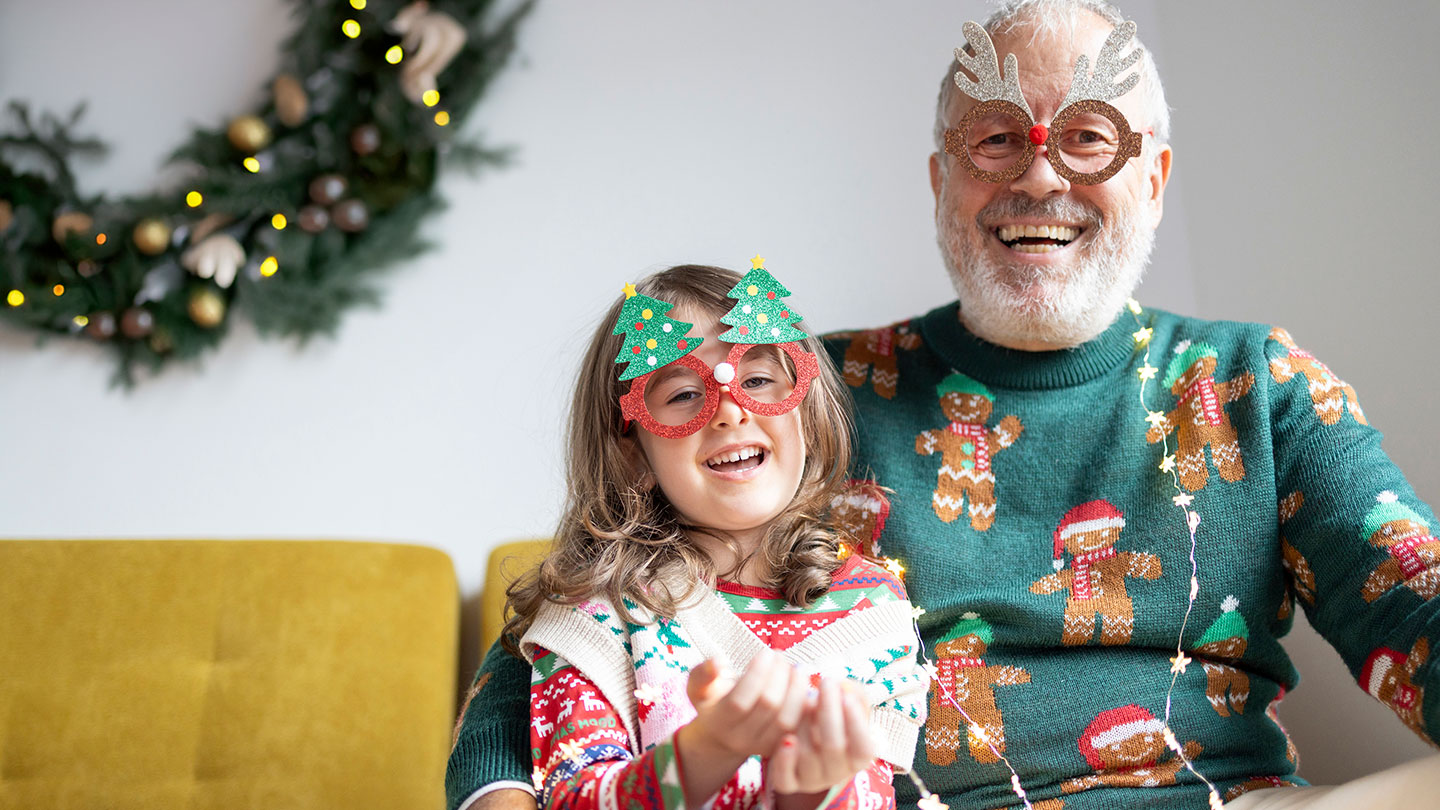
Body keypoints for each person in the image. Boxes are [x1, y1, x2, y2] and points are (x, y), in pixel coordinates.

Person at [448, 2, 1440, 808]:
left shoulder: (1257, 383)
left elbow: (1414, 592)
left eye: (1089, 138)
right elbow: (585, 610)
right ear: (941, 181)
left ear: (1154, 177)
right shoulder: (809, 400)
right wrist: (498, 792)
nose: (1040, 177)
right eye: (996, 140)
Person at [447, 264, 929, 810]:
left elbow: (872, 793)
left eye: (757, 380)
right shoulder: (596, 617)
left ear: (808, 418)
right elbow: (575, 799)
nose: (729, 411)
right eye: (682, 395)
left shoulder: (871, 608)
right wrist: (704, 752)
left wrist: (811, 790)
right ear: (634, 455)